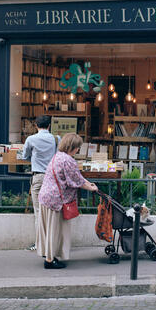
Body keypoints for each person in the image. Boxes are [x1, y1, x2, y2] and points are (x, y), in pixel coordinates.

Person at [37, 133, 98, 269]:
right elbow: (76, 180)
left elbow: (77, 177)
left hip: (46, 197)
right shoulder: (68, 160)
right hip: (55, 200)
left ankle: (48, 254)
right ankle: (49, 260)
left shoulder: (57, 156)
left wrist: (88, 183)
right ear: (72, 147)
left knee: (48, 229)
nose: (78, 150)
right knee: (55, 230)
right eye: (77, 147)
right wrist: (92, 188)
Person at [22, 115, 59, 250]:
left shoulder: (31, 139)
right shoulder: (56, 139)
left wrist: (34, 158)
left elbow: (24, 156)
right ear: (49, 126)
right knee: (52, 211)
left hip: (38, 177)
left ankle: (40, 243)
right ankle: (52, 242)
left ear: (36, 126)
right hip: (52, 178)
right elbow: (58, 157)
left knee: (38, 212)